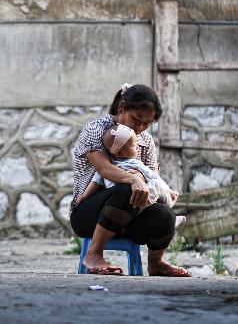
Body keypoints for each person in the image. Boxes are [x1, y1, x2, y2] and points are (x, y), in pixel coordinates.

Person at [69, 83, 190, 276]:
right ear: (122, 108)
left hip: (133, 215)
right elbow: (104, 168)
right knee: (126, 189)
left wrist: (143, 180)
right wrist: (134, 180)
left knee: (165, 214)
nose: (140, 127)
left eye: (147, 124)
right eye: (136, 119)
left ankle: (156, 263)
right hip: (88, 214)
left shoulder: (146, 141)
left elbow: (153, 180)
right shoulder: (96, 130)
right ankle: (94, 253)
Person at [76, 124, 187, 227]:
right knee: (156, 186)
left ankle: (168, 215)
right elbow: (154, 177)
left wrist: (85, 195)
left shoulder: (110, 165)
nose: (137, 149)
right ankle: (170, 207)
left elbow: (95, 182)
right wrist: (168, 190)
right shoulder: (134, 164)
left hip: (124, 204)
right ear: (119, 153)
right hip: (133, 201)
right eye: (134, 146)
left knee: (151, 188)